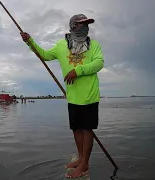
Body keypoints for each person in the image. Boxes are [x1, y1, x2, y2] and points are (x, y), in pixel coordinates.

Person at [20, 14, 104, 178]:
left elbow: (99, 63)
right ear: (72, 26)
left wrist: (78, 71)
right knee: (76, 129)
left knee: (87, 130)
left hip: (90, 96)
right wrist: (30, 42)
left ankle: (85, 164)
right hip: (72, 97)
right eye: (81, 24)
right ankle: (81, 159)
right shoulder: (61, 45)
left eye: (87, 24)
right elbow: (44, 55)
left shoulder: (94, 45)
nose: (85, 27)